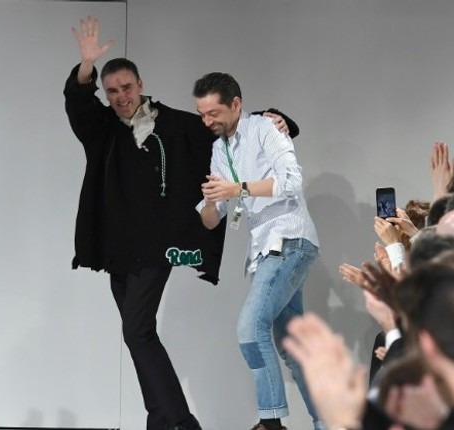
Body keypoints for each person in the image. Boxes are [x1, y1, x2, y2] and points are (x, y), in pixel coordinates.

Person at [64, 17, 296, 430]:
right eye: (112, 90)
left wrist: (274, 120)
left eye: (126, 88)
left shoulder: (173, 124)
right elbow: (77, 103)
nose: (120, 97)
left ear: (140, 85)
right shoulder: (101, 130)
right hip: (117, 250)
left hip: (157, 249)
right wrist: (85, 68)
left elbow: (222, 127)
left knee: (136, 332)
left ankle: (182, 423)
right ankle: (160, 418)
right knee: (139, 334)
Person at [193, 72, 321, 430]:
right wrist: (209, 201)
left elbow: (292, 183)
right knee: (294, 351)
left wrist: (239, 188)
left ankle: (271, 422)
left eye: (214, 113)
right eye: (202, 114)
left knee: (251, 330)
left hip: (289, 241)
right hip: (266, 249)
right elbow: (211, 219)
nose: (208, 121)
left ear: (236, 104)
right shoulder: (220, 149)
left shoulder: (265, 129)